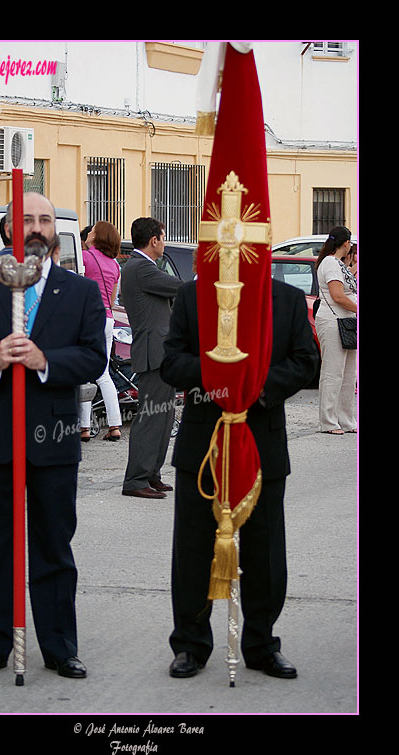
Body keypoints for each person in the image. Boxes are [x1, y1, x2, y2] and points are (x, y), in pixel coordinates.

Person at [0, 192, 107, 679]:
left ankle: (60, 647)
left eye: (45, 219)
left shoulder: (78, 291)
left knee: (54, 546)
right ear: (9, 229)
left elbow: (94, 357)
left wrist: (46, 362)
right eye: (27, 219)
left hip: (54, 439)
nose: (36, 226)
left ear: (54, 232)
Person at [160, 274, 317, 679]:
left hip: (262, 442)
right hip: (203, 446)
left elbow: (306, 361)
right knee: (194, 550)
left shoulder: (287, 299)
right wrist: (215, 372)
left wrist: (256, 385)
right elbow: (171, 363)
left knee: (265, 552)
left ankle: (262, 644)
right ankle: (191, 644)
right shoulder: (193, 296)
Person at [120, 217, 183, 499]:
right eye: (163, 236)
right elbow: (180, 287)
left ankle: (151, 473)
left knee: (165, 418)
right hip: (152, 353)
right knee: (151, 419)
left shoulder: (143, 267)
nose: (164, 241)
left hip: (162, 353)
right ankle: (136, 479)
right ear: (154, 240)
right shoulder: (140, 268)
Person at [79, 221, 123, 442]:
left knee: (84, 373)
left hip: (89, 318)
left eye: (93, 231)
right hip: (108, 318)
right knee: (103, 373)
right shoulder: (115, 265)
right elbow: (114, 300)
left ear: (97, 237)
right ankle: (114, 424)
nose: (89, 233)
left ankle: (84, 428)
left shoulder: (85, 258)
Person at [314, 226, 357, 435]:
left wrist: (351, 266)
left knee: (349, 375)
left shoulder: (339, 264)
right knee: (333, 373)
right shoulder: (330, 263)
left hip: (348, 322)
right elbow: (337, 296)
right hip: (333, 322)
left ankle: (346, 420)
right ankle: (329, 421)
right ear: (346, 243)